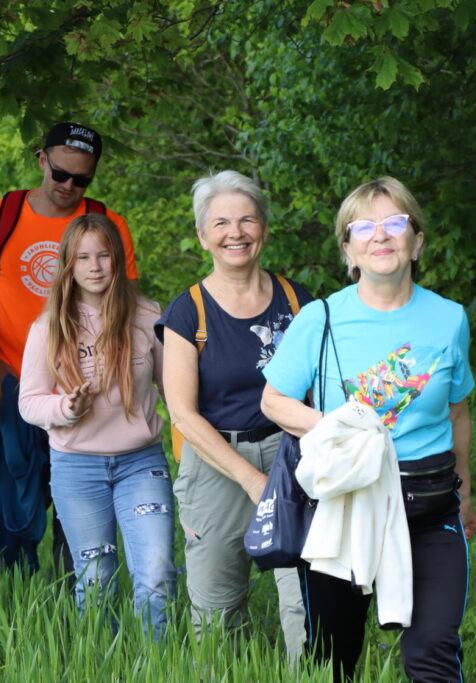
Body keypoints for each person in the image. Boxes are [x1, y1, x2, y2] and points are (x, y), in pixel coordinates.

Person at [262, 176, 476, 682]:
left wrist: (466, 495)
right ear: (349, 250)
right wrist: (338, 427)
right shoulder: (320, 319)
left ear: (416, 242)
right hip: (345, 509)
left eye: (395, 222)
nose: (380, 235)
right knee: (332, 659)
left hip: (430, 509)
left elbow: (458, 413)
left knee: (433, 652)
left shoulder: (449, 319)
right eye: (363, 227)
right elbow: (273, 400)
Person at [0, 122, 138, 575]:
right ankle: (18, 587)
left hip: (85, 384)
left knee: (79, 501)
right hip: (11, 378)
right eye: (60, 174)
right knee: (15, 496)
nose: (69, 187)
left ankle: (74, 593)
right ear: (42, 160)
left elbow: (126, 308)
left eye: (82, 179)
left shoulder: (108, 225)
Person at [156, 170, 310, 657]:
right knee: (217, 613)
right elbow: (182, 415)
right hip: (215, 459)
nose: (235, 233)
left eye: (247, 220)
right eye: (221, 223)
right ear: (203, 236)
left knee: (305, 599)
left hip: (291, 454)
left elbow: (321, 389)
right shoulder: (187, 313)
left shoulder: (299, 302)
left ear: (264, 228)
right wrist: (249, 478)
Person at [18, 214, 175, 639]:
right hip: (77, 468)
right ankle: (104, 660)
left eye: (103, 255)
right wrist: (66, 407)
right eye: (83, 257)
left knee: (156, 571)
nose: (95, 266)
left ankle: (157, 661)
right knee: (95, 578)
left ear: (117, 259)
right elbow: (29, 402)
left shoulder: (148, 316)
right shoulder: (49, 326)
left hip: (141, 463)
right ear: (68, 264)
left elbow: (175, 391)